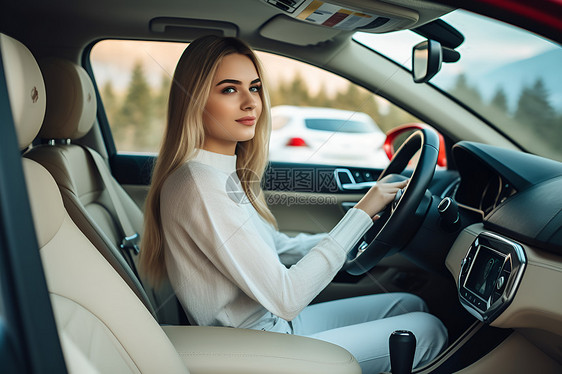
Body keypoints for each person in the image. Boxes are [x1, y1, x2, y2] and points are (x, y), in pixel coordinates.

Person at [140, 35, 447, 373]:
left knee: (408, 304)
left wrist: (365, 226)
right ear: (194, 100)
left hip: (273, 329)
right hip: (258, 347)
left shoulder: (220, 173)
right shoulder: (199, 184)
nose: (250, 103)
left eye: (254, 88)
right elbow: (286, 298)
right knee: (429, 331)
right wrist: (359, 215)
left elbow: (279, 249)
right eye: (230, 89)